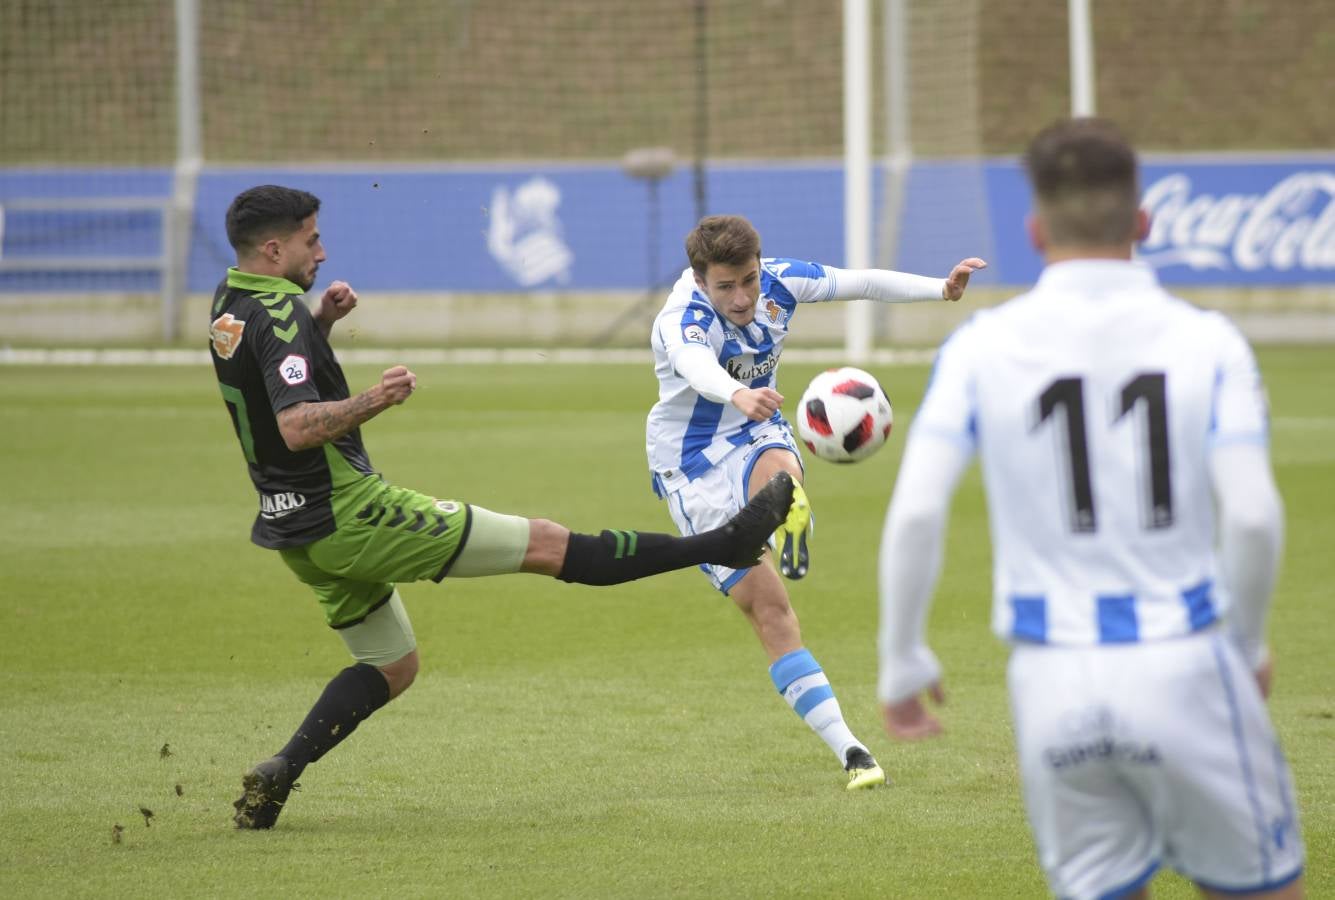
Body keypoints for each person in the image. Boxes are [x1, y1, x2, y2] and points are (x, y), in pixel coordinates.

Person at [211, 185, 799, 830]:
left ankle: (278, 775)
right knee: (548, 544)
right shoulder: (280, 316)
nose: (321, 251)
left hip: (291, 526)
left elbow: (271, 377)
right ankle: (725, 544)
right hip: (349, 512)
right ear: (274, 248)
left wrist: (320, 324)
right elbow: (296, 425)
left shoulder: (232, 303)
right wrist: (374, 399)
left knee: (391, 663)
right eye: (310, 240)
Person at [877, 118, 1305, 898]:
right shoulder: (1209, 342)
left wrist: (902, 657)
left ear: (1034, 230)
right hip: (1185, 663)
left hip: (1051, 682)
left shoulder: (980, 346)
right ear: (1141, 223)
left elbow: (913, 513)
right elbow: (1250, 515)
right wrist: (1244, 647)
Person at [647, 213, 985, 789]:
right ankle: (850, 748)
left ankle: (788, 505)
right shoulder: (681, 319)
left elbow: (860, 282)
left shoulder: (780, 282)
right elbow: (694, 366)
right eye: (726, 286)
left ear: (759, 266)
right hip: (691, 464)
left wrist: (941, 288)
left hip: (756, 430)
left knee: (776, 466)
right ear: (701, 279)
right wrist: (737, 392)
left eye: (748, 280)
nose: (742, 296)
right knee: (771, 611)